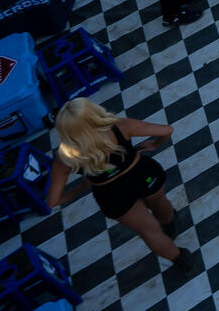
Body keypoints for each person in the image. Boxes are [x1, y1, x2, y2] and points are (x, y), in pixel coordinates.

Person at [43, 98, 200, 280]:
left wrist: (81, 187)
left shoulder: (65, 158)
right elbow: (167, 130)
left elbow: (53, 201)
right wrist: (155, 144)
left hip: (111, 195)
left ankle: (183, 261)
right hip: (142, 175)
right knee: (159, 202)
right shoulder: (120, 126)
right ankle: (170, 226)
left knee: (149, 232)